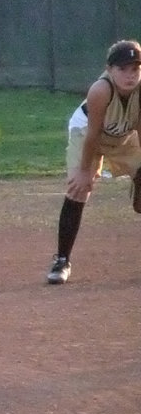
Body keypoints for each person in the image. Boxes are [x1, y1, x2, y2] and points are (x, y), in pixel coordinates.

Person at [47, 39, 141, 284]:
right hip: (87, 132)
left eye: (136, 69)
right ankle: (61, 261)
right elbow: (93, 135)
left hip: (123, 135)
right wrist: (84, 171)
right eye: (123, 69)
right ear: (109, 69)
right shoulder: (100, 90)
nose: (130, 75)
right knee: (79, 189)